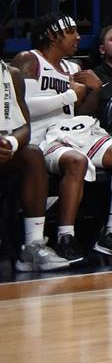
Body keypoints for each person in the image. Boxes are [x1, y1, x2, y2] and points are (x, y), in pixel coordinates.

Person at [18, 14, 112, 259]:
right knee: (77, 161)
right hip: (41, 137)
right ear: (53, 35)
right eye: (71, 32)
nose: (78, 37)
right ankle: (66, 236)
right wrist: (69, 96)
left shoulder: (73, 68)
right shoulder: (29, 60)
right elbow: (24, 106)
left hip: (74, 131)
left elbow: (78, 112)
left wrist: (95, 91)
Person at [1, 56, 74, 270]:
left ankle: (32, 245)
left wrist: (11, 142)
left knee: (32, 154)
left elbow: (24, 127)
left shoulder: (11, 74)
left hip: (3, 151)